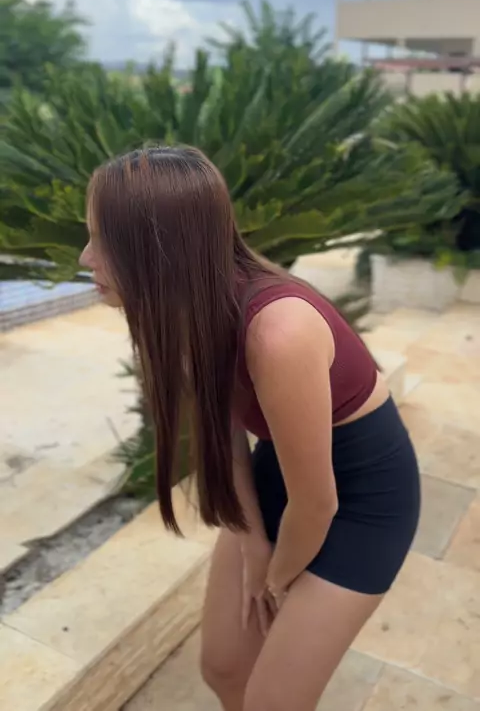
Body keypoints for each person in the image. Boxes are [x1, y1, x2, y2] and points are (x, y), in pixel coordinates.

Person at [80, 145, 421, 711]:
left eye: (101, 239)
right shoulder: (182, 308)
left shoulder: (278, 331)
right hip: (285, 474)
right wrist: (253, 542)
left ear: (158, 249)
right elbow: (223, 435)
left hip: (364, 499)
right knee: (224, 666)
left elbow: (318, 504)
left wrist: (276, 578)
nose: (85, 257)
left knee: (275, 701)